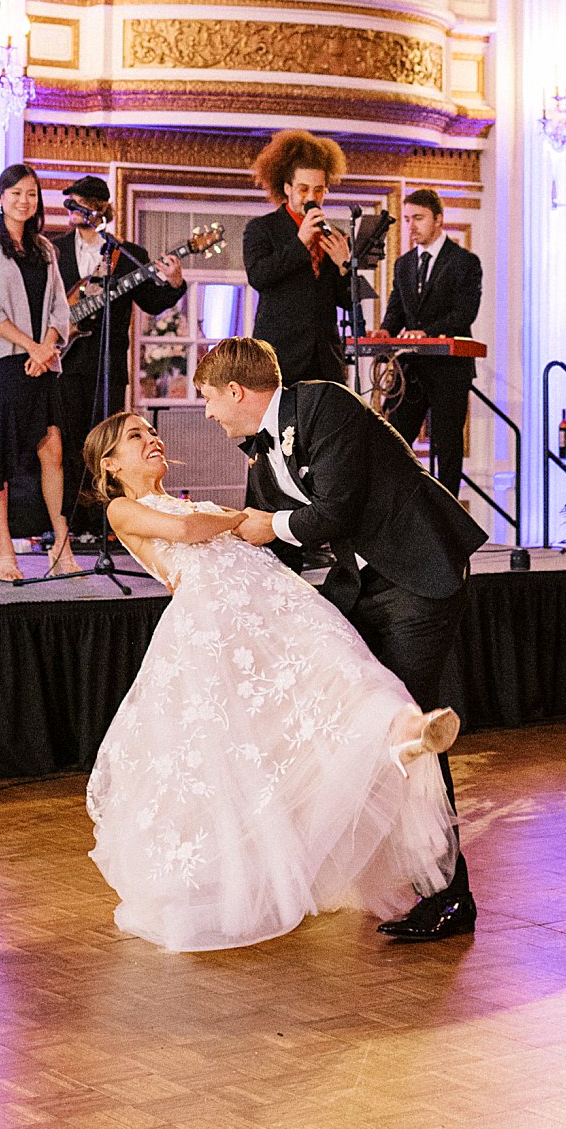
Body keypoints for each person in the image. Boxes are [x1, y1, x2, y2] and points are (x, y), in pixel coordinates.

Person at [84, 406, 460, 953]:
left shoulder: (194, 501)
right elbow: (189, 531)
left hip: (276, 604)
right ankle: (237, 874)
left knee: (341, 670)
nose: (153, 440)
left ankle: (400, 732)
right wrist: (240, 519)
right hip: (220, 622)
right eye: (136, 436)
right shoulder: (124, 508)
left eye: (152, 432)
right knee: (250, 742)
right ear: (110, 464)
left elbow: (241, 531)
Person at [199, 335, 485, 941]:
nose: (207, 413)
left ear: (235, 390)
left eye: (207, 399)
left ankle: (451, 895)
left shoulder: (323, 404)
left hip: (419, 572)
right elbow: (266, 541)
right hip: (363, 581)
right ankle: (364, 867)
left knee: (403, 722)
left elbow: (334, 511)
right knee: (342, 708)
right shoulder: (260, 451)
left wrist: (264, 524)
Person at [0, 162, 76, 584]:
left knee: (52, 449)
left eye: (32, 193)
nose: (25, 201)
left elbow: (61, 306)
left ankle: (61, 542)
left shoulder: (45, 249)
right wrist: (31, 346)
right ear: (0, 198)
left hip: (42, 360)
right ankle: (2, 547)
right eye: (16, 193)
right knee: (0, 454)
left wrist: (45, 349)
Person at [52, 174, 185, 522]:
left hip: (108, 364)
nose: (73, 210)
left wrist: (174, 283)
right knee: (66, 444)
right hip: (63, 362)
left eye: (80, 204)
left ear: (98, 210)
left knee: (106, 448)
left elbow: (153, 302)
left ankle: (102, 521)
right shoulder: (54, 250)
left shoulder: (126, 255)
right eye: (71, 203)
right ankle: (64, 520)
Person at [375, 189, 482, 495]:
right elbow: (397, 307)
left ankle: (447, 520)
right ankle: (399, 511)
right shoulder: (404, 263)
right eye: (407, 219)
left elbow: (464, 313)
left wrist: (428, 333)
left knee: (446, 446)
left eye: (418, 218)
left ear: (438, 219)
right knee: (391, 439)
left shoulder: (464, 262)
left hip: (449, 370)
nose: (411, 226)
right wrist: (385, 330)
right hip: (411, 369)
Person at [243, 130, 351, 386]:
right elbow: (259, 277)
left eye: (319, 190)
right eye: (303, 189)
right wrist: (300, 242)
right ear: (287, 188)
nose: (311, 198)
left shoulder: (336, 235)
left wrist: (345, 266)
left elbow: (347, 300)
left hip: (326, 359)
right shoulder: (262, 229)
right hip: (280, 357)